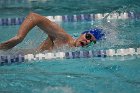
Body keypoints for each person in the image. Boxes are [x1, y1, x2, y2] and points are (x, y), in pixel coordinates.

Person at [0, 12, 104, 52]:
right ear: (82, 33)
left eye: (92, 42)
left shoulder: (73, 51)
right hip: (17, 54)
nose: (87, 41)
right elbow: (34, 17)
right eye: (88, 37)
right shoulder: (63, 38)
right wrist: (19, 37)